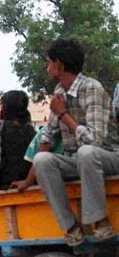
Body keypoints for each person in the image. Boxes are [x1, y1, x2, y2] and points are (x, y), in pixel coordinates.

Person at [33, 38, 119, 246]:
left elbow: (95, 141)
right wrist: (30, 177)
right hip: (79, 162)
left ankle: (99, 222)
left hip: (109, 157)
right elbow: (47, 137)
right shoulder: (59, 93)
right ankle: (71, 227)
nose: (47, 68)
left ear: (59, 64)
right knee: (42, 160)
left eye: (49, 62)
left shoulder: (92, 88)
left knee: (87, 152)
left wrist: (64, 115)